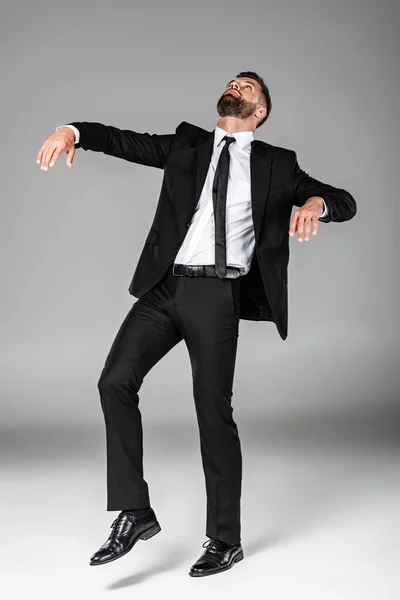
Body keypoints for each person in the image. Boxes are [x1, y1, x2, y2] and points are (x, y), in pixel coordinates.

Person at [36, 70, 357, 577]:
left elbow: (344, 199)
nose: (237, 86)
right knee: (114, 381)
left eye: (248, 87)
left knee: (212, 412)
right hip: (166, 288)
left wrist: (316, 203)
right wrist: (70, 131)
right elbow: (121, 140)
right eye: (234, 81)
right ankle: (134, 511)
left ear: (261, 112)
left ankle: (225, 539)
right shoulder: (188, 145)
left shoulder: (277, 164)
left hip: (217, 296)